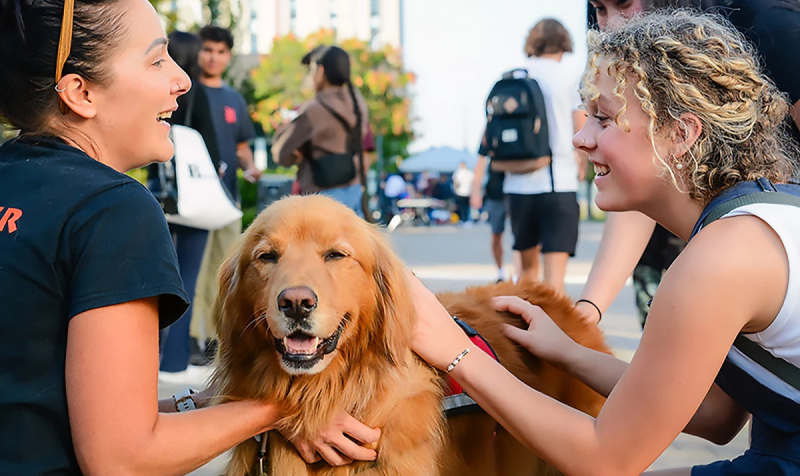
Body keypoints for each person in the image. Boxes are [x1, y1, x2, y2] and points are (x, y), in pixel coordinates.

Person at [411, 10, 800, 475]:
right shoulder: (765, 211)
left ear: (681, 134)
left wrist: (457, 353)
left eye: (603, 119)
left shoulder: (719, 259)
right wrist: (569, 353)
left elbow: (607, 459)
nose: (580, 138)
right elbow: (715, 415)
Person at [0, 0, 379, 473]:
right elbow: (123, 458)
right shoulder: (113, 210)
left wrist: (205, 403)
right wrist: (286, 407)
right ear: (80, 93)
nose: (182, 78)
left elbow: (40, 409)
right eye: (157, 59)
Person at [575, 0, 800, 324]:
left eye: (624, 4)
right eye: (599, 9)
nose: (611, 25)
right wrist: (588, 309)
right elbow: (641, 167)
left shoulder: (774, 29)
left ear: (683, 132)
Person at [144, 30, 219, 377]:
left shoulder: (156, 88)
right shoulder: (196, 91)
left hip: (162, 195)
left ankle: (156, 356)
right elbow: (212, 147)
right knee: (187, 279)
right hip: (196, 199)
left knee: (160, 277)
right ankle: (175, 361)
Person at [189, 25, 262, 366]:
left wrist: (249, 166)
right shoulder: (187, 92)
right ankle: (191, 338)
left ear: (228, 56)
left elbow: (241, 145)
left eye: (220, 51)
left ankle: (216, 341)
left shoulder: (234, 98)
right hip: (194, 200)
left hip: (228, 200)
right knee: (195, 272)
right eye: (207, 49)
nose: (212, 57)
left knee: (225, 272)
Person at [271, 45, 370, 217]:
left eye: (311, 71)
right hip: (353, 191)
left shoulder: (313, 110)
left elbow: (280, 154)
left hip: (321, 197)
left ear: (321, 71)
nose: (309, 77)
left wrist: (286, 131)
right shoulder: (358, 105)